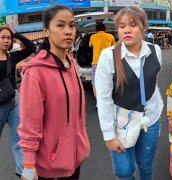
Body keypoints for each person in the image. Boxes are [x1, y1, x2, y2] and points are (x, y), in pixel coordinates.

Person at [18, 5, 90, 180]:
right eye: (60, 25)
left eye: (72, 25)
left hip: (75, 160)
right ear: (46, 31)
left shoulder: (71, 63)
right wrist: (28, 165)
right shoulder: (35, 73)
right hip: (49, 167)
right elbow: (29, 125)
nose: (68, 31)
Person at [95, 6, 163, 180]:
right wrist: (109, 135)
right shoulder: (108, 56)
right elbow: (103, 99)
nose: (127, 30)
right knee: (124, 171)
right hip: (122, 122)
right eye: (122, 25)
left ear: (144, 27)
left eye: (133, 24)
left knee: (146, 164)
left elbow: (152, 84)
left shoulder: (155, 51)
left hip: (150, 120)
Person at [0, 25, 35, 177]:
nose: (7, 40)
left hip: (13, 101)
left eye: (9, 38)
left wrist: (16, 34)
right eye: (3, 37)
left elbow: (31, 47)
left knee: (19, 138)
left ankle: (22, 172)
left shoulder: (12, 57)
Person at [89, 23, 115, 97]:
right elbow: (113, 46)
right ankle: (108, 98)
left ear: (96, 30)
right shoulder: (110, 36)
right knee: (108, 81)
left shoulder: (93, 36)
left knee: (95, 82)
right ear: (105, 29)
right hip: (108, 62)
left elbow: (90, 45)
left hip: (96, 62)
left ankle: (98, 102)